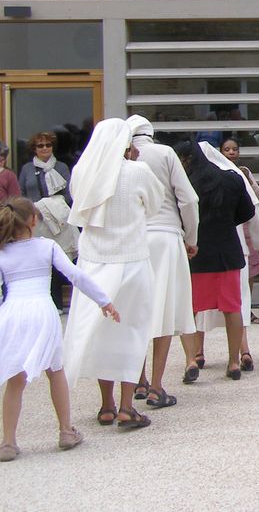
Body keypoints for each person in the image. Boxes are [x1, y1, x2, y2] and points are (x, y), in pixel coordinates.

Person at [0, 197, 120, 461]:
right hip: (43, 310)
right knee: (55, 371)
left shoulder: (2, 251)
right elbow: (76, 276)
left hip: (12, 312)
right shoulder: (47, 247)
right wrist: (104, 300)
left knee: (15, 378)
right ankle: (65, 430)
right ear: (33, 220)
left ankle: (8, 442)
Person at [62, 118, 163, 430]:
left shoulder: (81, 171)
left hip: (93, 263)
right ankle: (126, 406)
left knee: (101, 334)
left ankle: (105, 406)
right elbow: (155, 205)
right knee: (132, 332)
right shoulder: (137, 172)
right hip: (131, 259)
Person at [126, 115, 199, 405]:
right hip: (167, 237)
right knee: (165, 310)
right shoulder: (166, 153)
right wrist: (191, 238)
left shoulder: (121, 157)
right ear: (150, 134)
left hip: (133, 238)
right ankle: (157, 385)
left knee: (136, 310)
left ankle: (139, 380)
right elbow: (188, 199)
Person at [176, 141, 256, 380]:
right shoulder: (232, 178)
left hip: (195, 253)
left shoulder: (185, 184)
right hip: (227, 251)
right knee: (232, 308)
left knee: (189, 309)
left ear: (188, 160)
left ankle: (191, 359)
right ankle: (233, 362)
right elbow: (247, 212)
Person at [193, 141, 259, 375]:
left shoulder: (191, 181)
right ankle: (241, 353)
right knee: (237, 304)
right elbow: (252, 214)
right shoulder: (235, 177)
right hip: (233, 251)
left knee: (198, 306)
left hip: (200, 251)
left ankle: (197, 354)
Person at [18, 130, 74, 311]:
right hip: (37, 221)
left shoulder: (62, 167)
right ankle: (54, 303)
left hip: (60, 221)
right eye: (40, 145)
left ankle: (73, 303)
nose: (44, 148)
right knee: (44, 260)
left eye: (48, 145)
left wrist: (51, 206)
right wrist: (33, 209)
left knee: (65, 259)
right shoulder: (27, 169)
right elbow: (22, 193)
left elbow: (69, 195)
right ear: (34, 148)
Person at [220, 137, 259, 324]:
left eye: (234, 149)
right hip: (228, 226)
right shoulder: (216, 170)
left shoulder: (245, 171)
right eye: (227, 149)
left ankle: (247, 309)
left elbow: (257, 195)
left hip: (246, 224)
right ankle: (230, 309)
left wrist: (246, 181)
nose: (231, 152)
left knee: (251, 270)